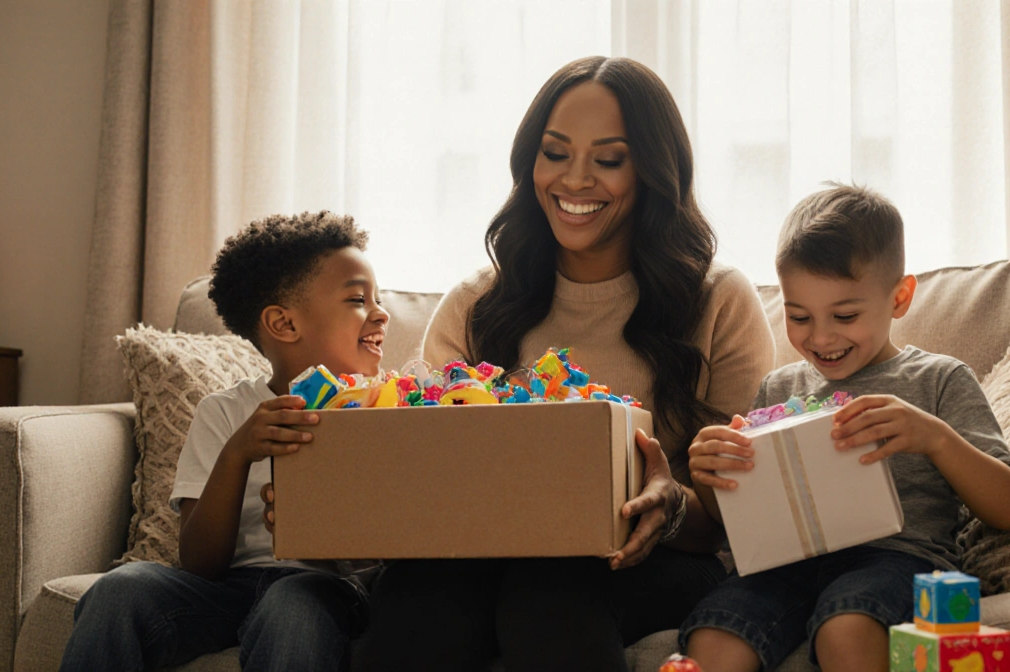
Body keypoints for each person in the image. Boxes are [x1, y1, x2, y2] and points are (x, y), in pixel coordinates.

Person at [349, 55, 776, 672]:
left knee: (550, 592)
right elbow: (419, 471)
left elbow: (739, 515)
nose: (575, 180)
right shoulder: (476, 303)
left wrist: (671, 505)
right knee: (419, 604)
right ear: (530, 161)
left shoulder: (718, 300)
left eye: (608, 159)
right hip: (475, 559)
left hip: (651, 563)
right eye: (555, 152)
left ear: (653, 170)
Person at [682, 184, 1010, 672]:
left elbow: (1009, 507)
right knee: (715, 633)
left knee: (845, 628)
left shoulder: (938, 379)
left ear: (900, 297)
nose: (820, 337)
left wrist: (934, 438)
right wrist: (708, 473)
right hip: (782, 564)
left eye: (845, 315)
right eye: (799, 317)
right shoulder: (777, 388)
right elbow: (730, 522)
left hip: (896, 558)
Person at [59, 212, 384, 672]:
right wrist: (238, 453)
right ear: (284, 324)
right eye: (358, 298)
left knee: (291, 607)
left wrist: (320, 530)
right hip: (225, 587)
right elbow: (198, 564)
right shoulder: (225, 412)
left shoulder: (387, 411)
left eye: (378, 298)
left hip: (320, 589)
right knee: (120, 588)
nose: (381, 312)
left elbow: (385, 557)